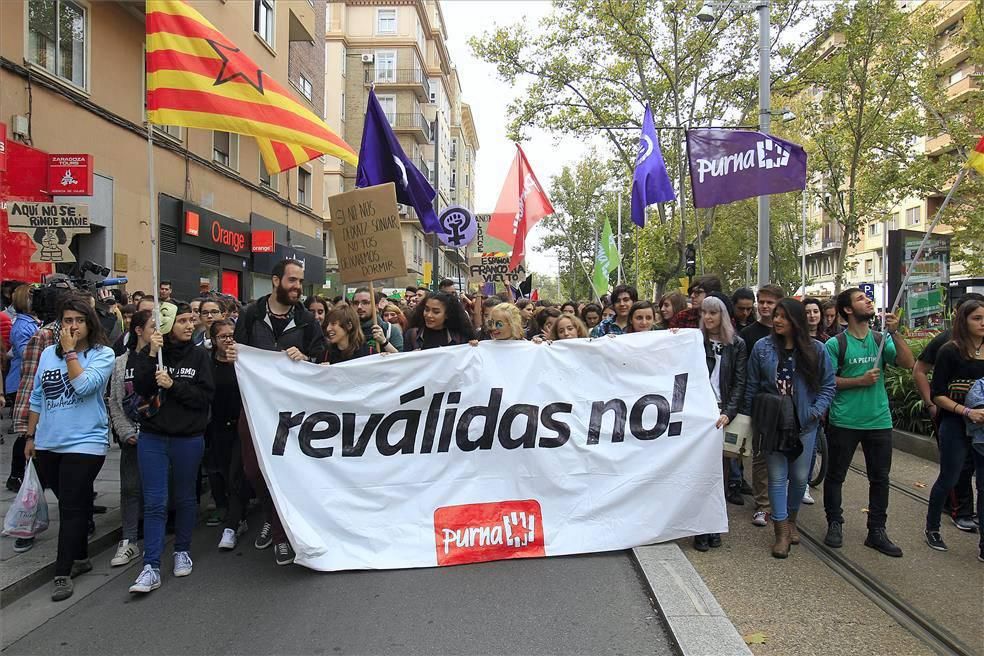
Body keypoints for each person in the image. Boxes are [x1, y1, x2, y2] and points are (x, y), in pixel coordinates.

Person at [233, 259, 325, 565]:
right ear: (275, 281)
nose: (298, 287)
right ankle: (272, 513)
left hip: (290, 411)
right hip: (255, 405)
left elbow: (321, 356)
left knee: (286, 468)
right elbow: (235, 353)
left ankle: (281, 533)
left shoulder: (306, 320)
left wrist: (307, 356)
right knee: (252, 468)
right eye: (292, 281)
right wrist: (229, 353)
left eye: (300, 281)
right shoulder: (250, 315)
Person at [24, 294, 115, 601]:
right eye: (67, 320)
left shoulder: (103, 354)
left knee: (71, 506)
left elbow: (85, 386)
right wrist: (29, 435)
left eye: (78, 320)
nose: (73, 326)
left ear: (90, 323)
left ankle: (62, 571)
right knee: (69, 500)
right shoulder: (49, 354)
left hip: (86, 442)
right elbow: (38, 395)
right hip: (49, 441)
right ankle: (81, 556)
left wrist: (71, 352)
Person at [128, 302, 214, 594]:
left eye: (192, 320)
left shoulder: (201, 356)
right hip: (153, 438)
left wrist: (173, 385)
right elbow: (140, 388)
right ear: (167, 326)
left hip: (188, 438)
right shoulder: (148, 354)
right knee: (154, 501)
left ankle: (182, 549)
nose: (190, 325)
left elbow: (204, 397)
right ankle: (150, 565)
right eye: (183, 321)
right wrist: (152, 355)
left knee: (185, 497)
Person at [822, 288, 915, 557]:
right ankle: (835, 523)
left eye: (868, 298)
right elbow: (827, 382)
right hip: (845, 420)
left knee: (880, 478)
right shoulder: (835, 344)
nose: (868, 301)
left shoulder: (880, 339)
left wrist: (896, 334)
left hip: (878, 420)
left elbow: (908, 364)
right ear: (848, 310)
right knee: (836, 475)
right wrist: (858, 382)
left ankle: (876, 530)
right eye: (861, 299)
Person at [744, 299, 835, 558]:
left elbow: (828, 386)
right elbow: (752, 386)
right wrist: (753, 420)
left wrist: (815, 413)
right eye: (776, 315)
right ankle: (781, 532)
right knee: (776, 478)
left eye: (784, 316)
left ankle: (792, 519)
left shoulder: (816, 349)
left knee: (799, 478)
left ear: (796, 320)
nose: (778, 320)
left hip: (804, 425)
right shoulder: (762, 348)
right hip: (773, 424)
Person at [913, 293, 984, 532]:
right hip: (955, 420)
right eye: (977, 318)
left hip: (982, 426)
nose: (983, 323)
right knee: (952, 475)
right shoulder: (948, 349)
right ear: (962, 320)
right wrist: (939, 406)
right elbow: (933, 387)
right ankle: (934, 527)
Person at [694, 296, 748, 551]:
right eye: (704, 313)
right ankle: (700, 527)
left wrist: (729, 411)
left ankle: (713, 524)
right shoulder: (695, 341)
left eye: (713, 313)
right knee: (699, 473)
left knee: (719, 474)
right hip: (699, 414)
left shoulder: (737, 344)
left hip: (722, 413)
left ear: (722, 315)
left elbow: (740, 382)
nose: (708, 317)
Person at [106, 309, 154, 568]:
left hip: (156, 433)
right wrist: (125, 431)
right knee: (130, 487)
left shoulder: (161, 358)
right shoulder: (120, 363)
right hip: (132, 436)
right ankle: (129, 539)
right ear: (138, 330)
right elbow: (114, 400)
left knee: (155, 488)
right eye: (152, 326)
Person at [740, 283, 785, 527]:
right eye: (762, 301)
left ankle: (784, 504)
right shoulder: (749, 336)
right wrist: (747, 412)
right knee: (761, 457)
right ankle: (763, 505)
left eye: (770, 302)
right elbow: (749, 378)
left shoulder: (793, 336)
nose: (765, 306)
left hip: (789, 408)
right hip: (762, 407)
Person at [204, 319, 250, 550]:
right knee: (223, 473)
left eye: (232, 335)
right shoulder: (207, 363)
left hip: (242, 427)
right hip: (217, 428)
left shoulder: (244, 362)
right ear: (213, 341)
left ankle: (231, 527)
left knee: (235, 476)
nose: (229, 339)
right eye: (223, 336)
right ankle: (237, 516)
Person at [5, 285, 40, 492]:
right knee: (25, 431)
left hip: (25, 379)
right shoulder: (22, 326)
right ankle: (15, 474)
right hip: (21, 381)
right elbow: (26, 352)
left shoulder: (29, 323)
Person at [404, 292, 476, 350]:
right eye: (426, 309)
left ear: (447, 314)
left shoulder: (460, 338)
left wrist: (473, 346)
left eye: (436, 312)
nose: (429, 315)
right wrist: (411, 356)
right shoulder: (412, 335)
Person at [352, 288, 402, 354]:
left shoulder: (389, 330)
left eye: (365, 303)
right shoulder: (347, 330)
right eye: (356, 303)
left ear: (376, 306)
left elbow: (400, 360)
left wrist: (384, 342)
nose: (359, 307)